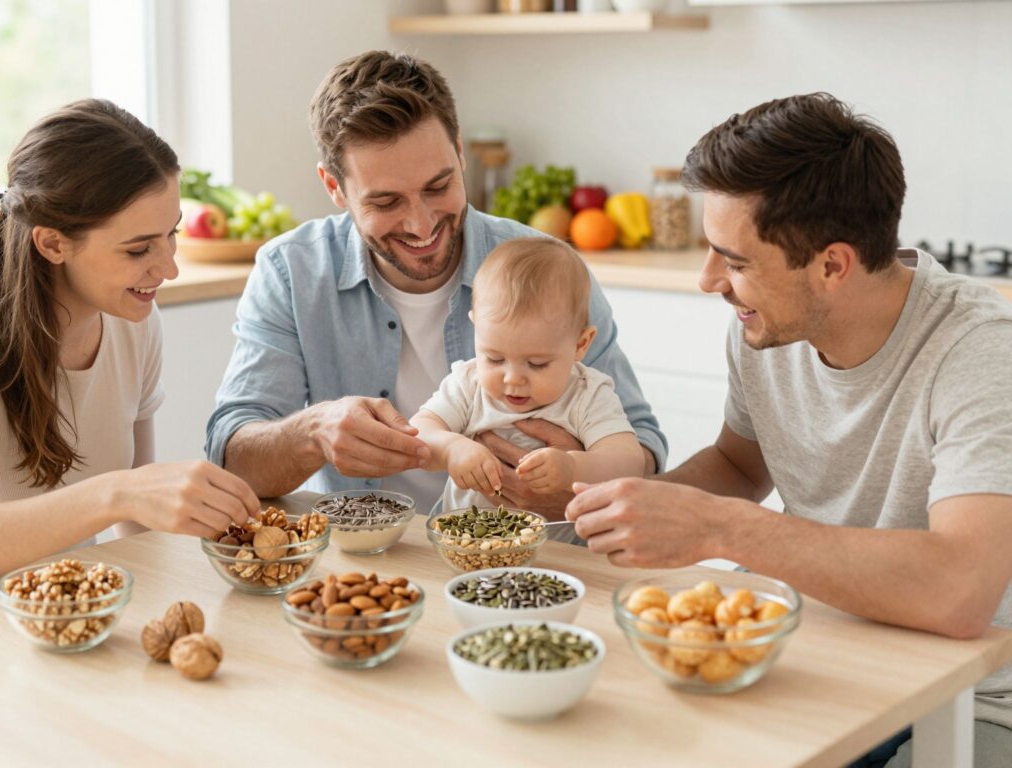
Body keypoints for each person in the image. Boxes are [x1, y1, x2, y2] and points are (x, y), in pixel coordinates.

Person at [565, 92, 1012, 765]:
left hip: (960, 689)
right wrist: (611, 507)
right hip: (806, 644)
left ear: (832, 265)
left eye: (736, 261)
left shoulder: (978, 351)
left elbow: (959, 593)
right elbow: (741, 467)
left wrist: (721, 529)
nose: (709, 281)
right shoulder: (766, 324)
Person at [205, 51, 666, 519]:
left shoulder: (549, 271)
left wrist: (573, 473)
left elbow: (644, 449)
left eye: (438, 186)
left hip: (536, 559)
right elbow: (233, 459)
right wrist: (311, 434)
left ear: (460, 152)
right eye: (386, 201)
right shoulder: (291, 272)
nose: (421, 223)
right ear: (334, 187)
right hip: (366, 559)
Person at [0, 99, 259, 577]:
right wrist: (115, 494)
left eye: (171, 234)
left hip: (76, 617)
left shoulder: (134, 324)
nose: (168, 268)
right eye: (139, 249)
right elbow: (126, 496)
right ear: (52, 243)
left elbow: (136, 525)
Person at [410, 237, 645, 529]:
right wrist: (451, 449)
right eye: (494, 358)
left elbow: (629, 462)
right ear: (475, 328)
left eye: (537, 364)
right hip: (466, 546)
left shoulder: (588, 394)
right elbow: (418, 435)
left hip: (563, 559)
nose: (512, 378)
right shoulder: (468, 384)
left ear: (580, 345)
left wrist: (572, 467)